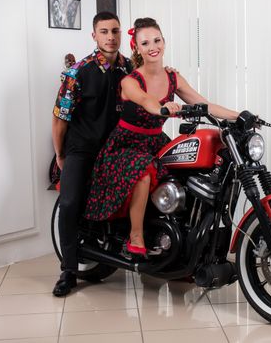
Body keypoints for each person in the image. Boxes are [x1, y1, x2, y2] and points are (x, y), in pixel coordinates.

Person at [83, 17, 239, 256]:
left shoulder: (173, 78)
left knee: (189, 174)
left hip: (156, 142)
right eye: (145, 43)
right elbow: (146, 101)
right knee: (144, 170)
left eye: (157, 40)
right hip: (125, 145)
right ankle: (135, 235)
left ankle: (181, 245)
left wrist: (241, 116)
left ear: (164, 42)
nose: (152, 46)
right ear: (137, 47)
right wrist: (163, 108)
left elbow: (204, 104)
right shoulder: (130, 81)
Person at [51, 11, 134, 297]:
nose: (111, 37)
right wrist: (60, 154)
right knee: (70, 201)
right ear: (94, 35)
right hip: (82, 147)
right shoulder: (78, 72)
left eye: (115, 31)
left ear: (121, 34)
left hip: (116, 147)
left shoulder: (130, 69)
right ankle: (69, 270)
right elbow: (60, 118)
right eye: (104, 32)